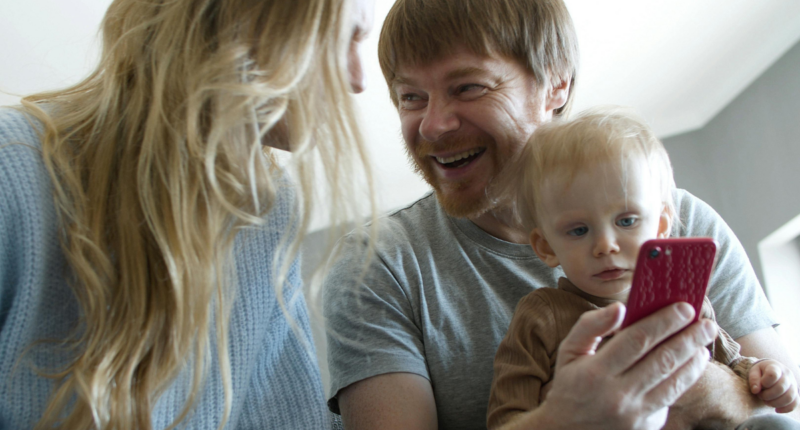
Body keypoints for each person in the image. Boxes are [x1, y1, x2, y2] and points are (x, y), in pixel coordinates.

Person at [322, 0, 800, 429]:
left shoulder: (678, 221)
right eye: (411, 97)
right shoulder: (380, 265)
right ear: (544, 246)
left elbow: (784, 413)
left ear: (556, 84)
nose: (432, 124)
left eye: (467, 87)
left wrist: (701, 389)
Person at [0, 0, 375, 428]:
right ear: (246, 24)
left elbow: (286, 415)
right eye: (344, 39)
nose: (357, 79)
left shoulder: (268, 211)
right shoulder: (13, 169)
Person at [486, 107, 800, 429]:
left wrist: (763, 375)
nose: (606, 245)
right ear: (546, 247)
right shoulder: (540, 316)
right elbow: (506, 418)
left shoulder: (681, 298)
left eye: (626, 221)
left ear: (662, 225)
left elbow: (733, 362)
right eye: (578, 230)